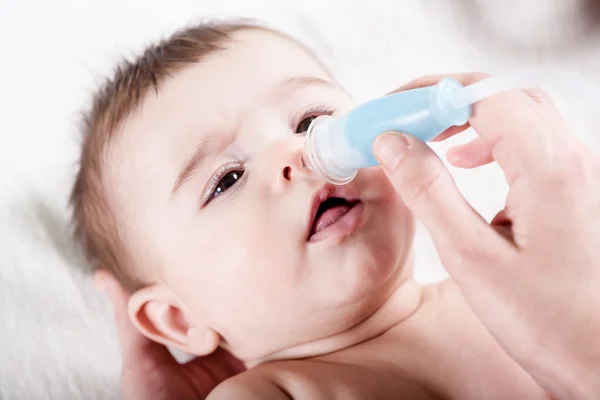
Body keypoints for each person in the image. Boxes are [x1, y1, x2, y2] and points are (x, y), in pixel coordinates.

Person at [75, 19, 599, 399]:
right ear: (178, 317)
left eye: (310, 121)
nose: (298, 154)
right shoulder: (272, 392)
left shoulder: (508, 288)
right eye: (227, 179)